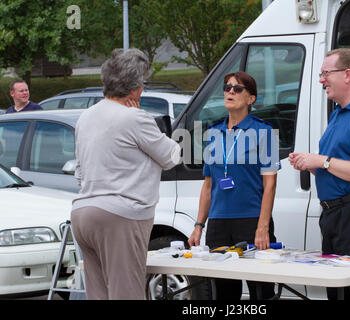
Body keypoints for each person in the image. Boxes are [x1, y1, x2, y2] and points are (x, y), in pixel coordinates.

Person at [71, 48, 180, 300]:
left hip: (83, 212)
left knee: (98, 293)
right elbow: (172, 156)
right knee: (127, 292)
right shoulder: (135, 118)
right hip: (120, 215)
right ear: (136, 88)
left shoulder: (85, 117)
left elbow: (80, 172)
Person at [289, 48, 350, 300]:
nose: (321, 79)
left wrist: (322, 161)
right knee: (335, 292)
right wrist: (310, 164)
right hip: (333, 216)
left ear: (347, 74)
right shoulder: (337, 114)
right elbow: (337, 167)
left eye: (325, 73)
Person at [188, 71, 280, 300]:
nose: (230, 92)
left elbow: (270, 186)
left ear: (251, 99)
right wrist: (199, 225)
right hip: (219, 224)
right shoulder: (213, 134)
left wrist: (263, 227)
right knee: (223, 293)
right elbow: (208, 186)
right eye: (227, 87)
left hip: (251, 221)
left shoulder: (264, 132)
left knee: (261, 292)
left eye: (237, 88)